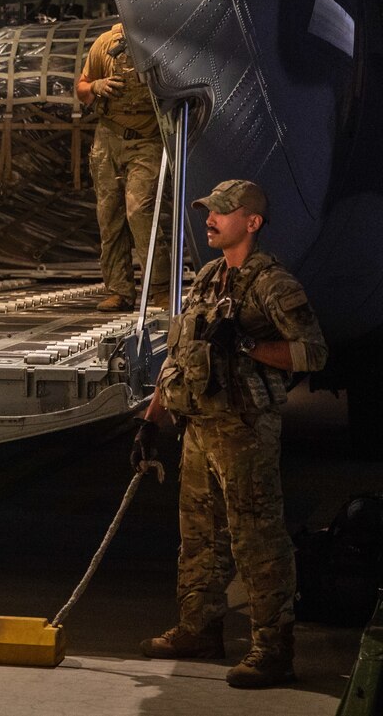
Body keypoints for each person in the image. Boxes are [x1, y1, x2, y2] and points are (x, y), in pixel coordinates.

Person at [130, 179, 328, 688]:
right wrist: (151, 420)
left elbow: (312, 353)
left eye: (221, 212)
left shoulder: (273, 284)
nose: (210, 220)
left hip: (244, 430)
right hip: (199, 427)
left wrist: (247, 346)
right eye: (208, 212)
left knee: (256, 539)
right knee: (199, 537)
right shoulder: (209, 278)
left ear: (252, 222)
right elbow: (179, 356)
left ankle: (273, 649)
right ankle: (198, 629)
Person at [77, 23, 170, 312]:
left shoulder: (163, 43)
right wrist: (95, 86)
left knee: (139, 210)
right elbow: (81, 87)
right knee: (109, 214)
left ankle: (160, 288)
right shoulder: (105, 43)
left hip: (147, 139)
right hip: (108, 138)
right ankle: (119, 289)